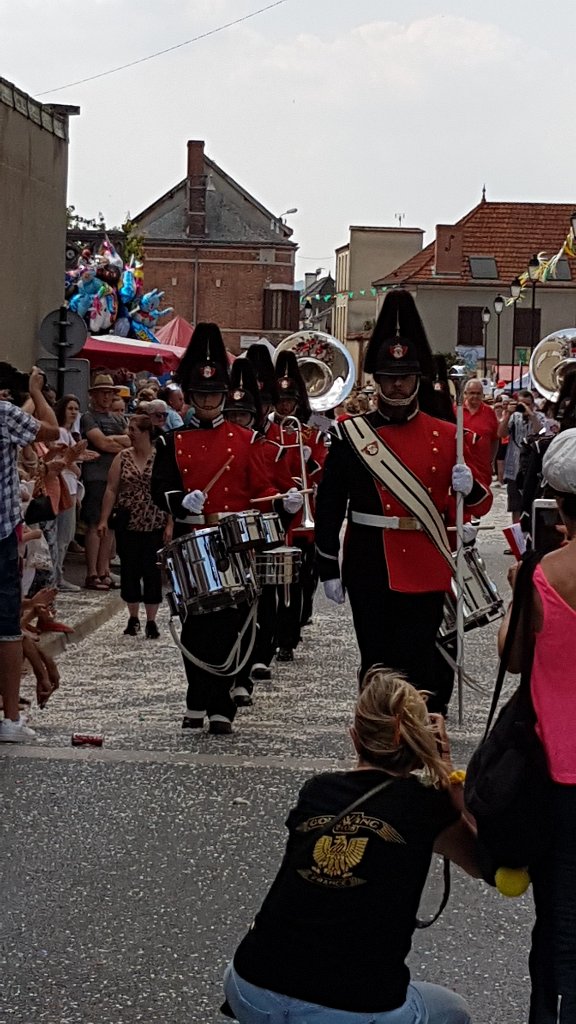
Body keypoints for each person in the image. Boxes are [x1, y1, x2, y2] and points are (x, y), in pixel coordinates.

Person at [224, 667, 478, 1024]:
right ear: (423, 743)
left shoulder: (317, 790)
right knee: (453, 1011)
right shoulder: (427, 805)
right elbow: (487, 862)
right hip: (353, 1006)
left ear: (355, 738)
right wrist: (450, 776)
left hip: (250, 985)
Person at [315, 290, 492, 714]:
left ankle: (423, 735)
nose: (398, 384)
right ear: (377, 380)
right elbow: (330, 504)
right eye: (390, 376)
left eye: (406, 377)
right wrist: (327, 565)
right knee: (377, 663)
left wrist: (469, 486)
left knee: (421, 661)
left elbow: (479, 503)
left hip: (427, 560)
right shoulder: (350, 435)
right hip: (369, 560)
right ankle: (379, 735)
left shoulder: (447, 435)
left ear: (418, 380)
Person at [151, 323, 302, 735]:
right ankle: (196, 696)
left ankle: (219, 703)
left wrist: (282, 504)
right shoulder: (172, 441)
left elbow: (261, 489)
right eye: (201, 395)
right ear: (190, 395)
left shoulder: (245, 439)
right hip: (191, 538)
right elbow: (159, 487)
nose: (207, 401)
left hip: (233, 544)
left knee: (230, 624)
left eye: (214, 394)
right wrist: (180, 501)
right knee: (194, 625)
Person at [497, 427, 576, 1023]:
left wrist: (516, 596)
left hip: (557, 772)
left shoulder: (542, 573)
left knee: (557, 926)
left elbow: (514, 658)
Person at [0, 365, 59, 742]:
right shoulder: (4, 415)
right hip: (1, 534)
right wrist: (36, 392)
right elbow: (51, 430)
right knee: (6, 629)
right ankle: (9, 718)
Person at [97, 414, 170, 638]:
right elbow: (111, 489)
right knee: (130, 569)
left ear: (146, 433)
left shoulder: (161, 457)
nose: (129, 433)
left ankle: (151, 620)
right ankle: (133, 617)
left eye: (133, 429)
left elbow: (169, 491)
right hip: (128, 520)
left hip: (154, 520)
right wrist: (104, 519)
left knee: (152, 571)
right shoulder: (122, 456)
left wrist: (170, 523)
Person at [80, 373, 130, 590]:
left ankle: (104, 570)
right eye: (103, 392)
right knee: (95, 523)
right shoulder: (88, 417)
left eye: (110, 393)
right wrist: (118, 444)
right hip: (96, 476)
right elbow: (101, 443)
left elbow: (130, 440)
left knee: (110, 525)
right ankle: (92, 573)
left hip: (115, 476)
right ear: (94, 395)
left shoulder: (118, 418)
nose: (107, 396)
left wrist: (113, 441)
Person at [497, 389, 545, 525]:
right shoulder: (513, 417)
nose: (523, 407)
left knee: (533, 504)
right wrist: (508, 414)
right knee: (515, 506)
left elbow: (541, 431)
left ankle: (531, 533)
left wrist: (530, 414)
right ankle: (517, 536)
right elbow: (501, 434)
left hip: (533, 468)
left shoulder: (539, 417)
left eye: (527, 404)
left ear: (533, 404)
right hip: (514, 467)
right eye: (521, 403)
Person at [462, 378, 499, 488]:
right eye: (472, 393)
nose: (475, 396)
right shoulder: (456, 410)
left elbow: (495, 439)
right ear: (465, 394)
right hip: (461, 468)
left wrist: (490, 460)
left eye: (478, 393)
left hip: (482, 469)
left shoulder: (489, 412)